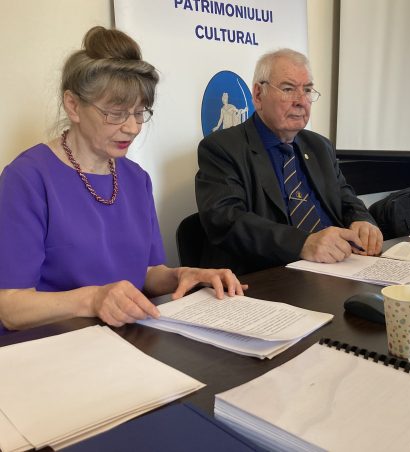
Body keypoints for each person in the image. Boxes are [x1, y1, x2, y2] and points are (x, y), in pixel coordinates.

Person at [0, 26, 246, 334]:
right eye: (116, 113)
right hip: (54, 346)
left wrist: (183, 275)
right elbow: (10, 307)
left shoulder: (135, 178)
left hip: (125, 338)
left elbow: (147, 272)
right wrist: (93, 299)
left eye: (140, 113)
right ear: (73, 106)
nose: (132, 128)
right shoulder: (27, 178)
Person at [195, 48, 383, 275]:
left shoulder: (320, 146)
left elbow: (346, 198)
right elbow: (227, 221)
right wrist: (303, 244)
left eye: (307, 90)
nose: (301, 101)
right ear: (258, 95)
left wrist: (362, 221)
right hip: (270, 275)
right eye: (288, 89)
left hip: (339, 267)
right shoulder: (223, 148)